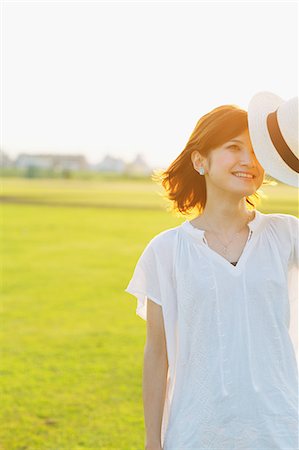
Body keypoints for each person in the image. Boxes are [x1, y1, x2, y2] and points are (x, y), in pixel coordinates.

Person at [124, 98, 299, 449]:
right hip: (197, 432)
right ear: (200, 160)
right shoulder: (165, 251)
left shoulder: (287, 234)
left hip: (281, 429)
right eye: (234, 148)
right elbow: (157, 354)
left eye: (255, 151)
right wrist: (152, 441)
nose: (248, 161)